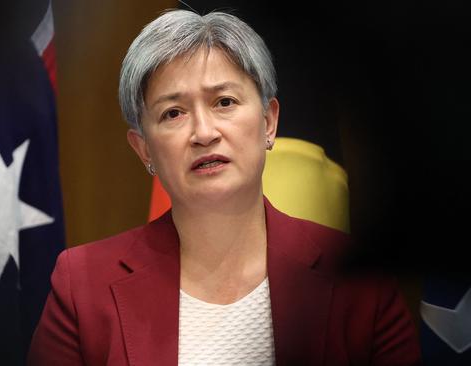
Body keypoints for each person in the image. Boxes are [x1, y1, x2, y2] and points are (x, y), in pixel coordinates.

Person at [28, 9, 421, 366]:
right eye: (174, 113)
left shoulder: (359, 282)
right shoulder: (82, 285)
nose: (203, 133)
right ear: (144, 147)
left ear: (269, 122)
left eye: (225, 102)